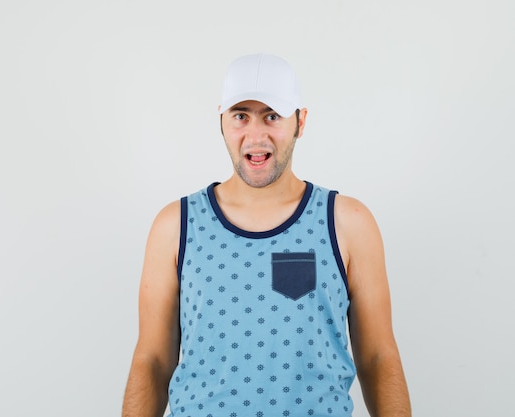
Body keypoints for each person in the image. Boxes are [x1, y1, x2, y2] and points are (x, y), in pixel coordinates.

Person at [121, 53, 411, 417]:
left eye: (272, 116)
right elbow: (152, 360)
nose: (255, 136)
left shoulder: (348, 222)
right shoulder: (175, 225)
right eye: (241, 116)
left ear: (300, 122)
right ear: (222, 122)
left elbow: (378, 357)